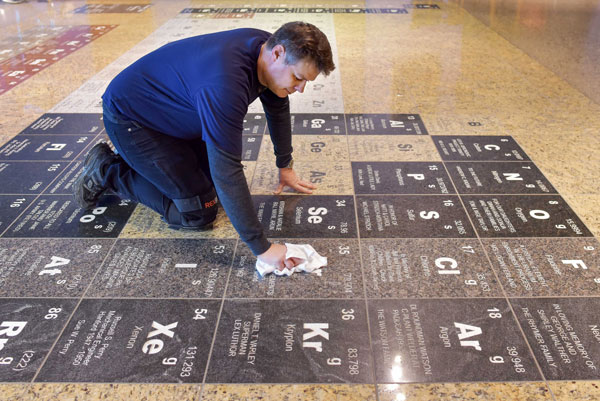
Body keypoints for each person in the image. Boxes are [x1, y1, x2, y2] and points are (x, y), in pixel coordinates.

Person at [74, 21, 335, 270]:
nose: (300, 89)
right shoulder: (225, 85)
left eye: (306, 82)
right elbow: (227, 172)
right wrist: (262, 249)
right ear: (278, 53)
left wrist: (285, 165)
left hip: (174, 115)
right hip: (133, 120)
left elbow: (277, 108)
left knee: (214, 191)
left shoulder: (264, 48)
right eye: (298, 78)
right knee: (199, 212)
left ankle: (151, 164)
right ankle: (107, 169)